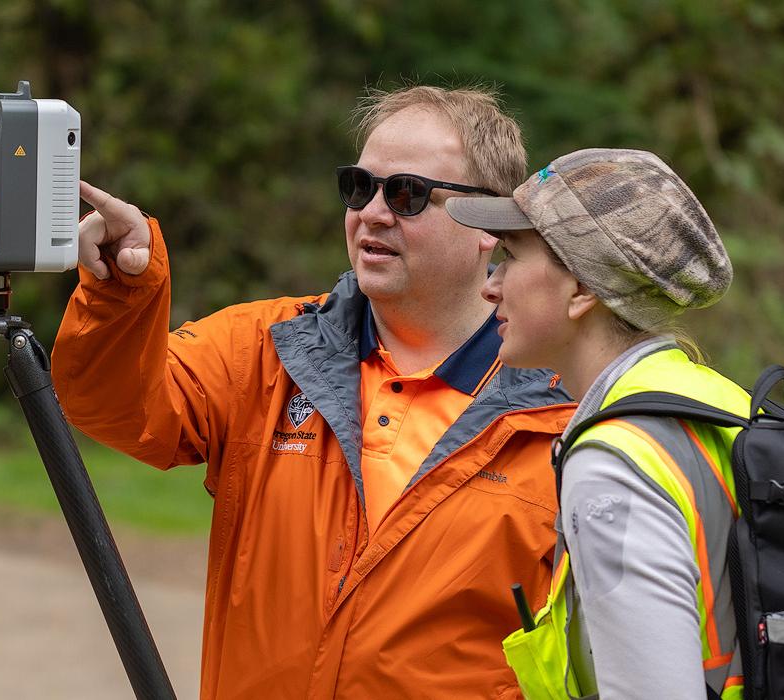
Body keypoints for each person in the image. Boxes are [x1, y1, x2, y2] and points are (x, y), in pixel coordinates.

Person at [52, 86, 576, 699]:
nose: (373, 213)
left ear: (488, 224)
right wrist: (122, 293)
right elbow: (115, 408)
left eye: (407, 194)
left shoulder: (563, 406)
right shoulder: (265, 350)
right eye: (360, 187)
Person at [446, 148, 745, 699]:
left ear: (582, 289)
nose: (490, 286)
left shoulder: (615, 461)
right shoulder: (717, 399)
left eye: (510, 257)